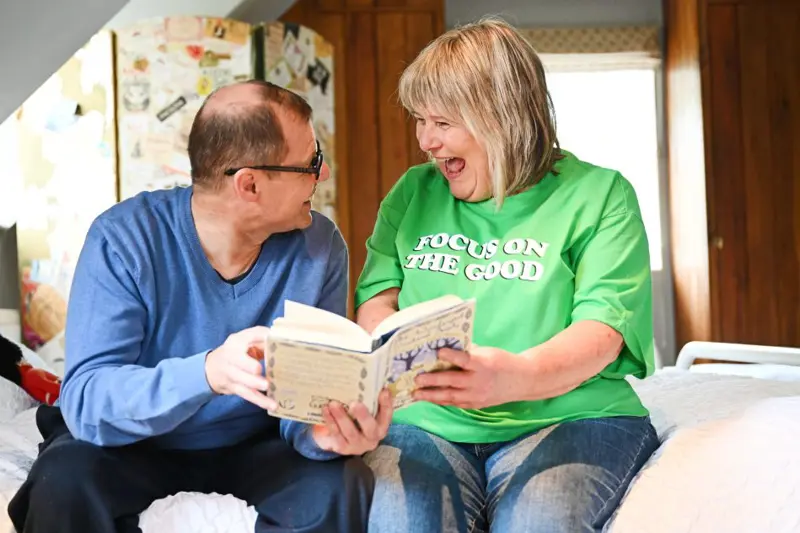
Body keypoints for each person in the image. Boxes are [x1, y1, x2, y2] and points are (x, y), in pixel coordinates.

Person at [8, 80, 393, 533]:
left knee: (344, 485)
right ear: (250, 184)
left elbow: (306, 406)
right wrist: (208, 372)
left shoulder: (320, 247)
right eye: (311, 163)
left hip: (255, 442)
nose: (323, 173)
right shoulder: (123, 239)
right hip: (133, 445)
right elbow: (89, 401)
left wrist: (324, 435)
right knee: (61, 483)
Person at [355, 17, 661, 533]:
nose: (426, 140)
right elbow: (377, 301)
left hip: (570, 417)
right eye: (420, 120)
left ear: (502, 117)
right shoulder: (412, 192)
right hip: (424, 423)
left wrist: (514, 377)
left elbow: (604, 330)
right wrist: (391, 354)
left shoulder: (601, 195)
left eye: (442, 122)